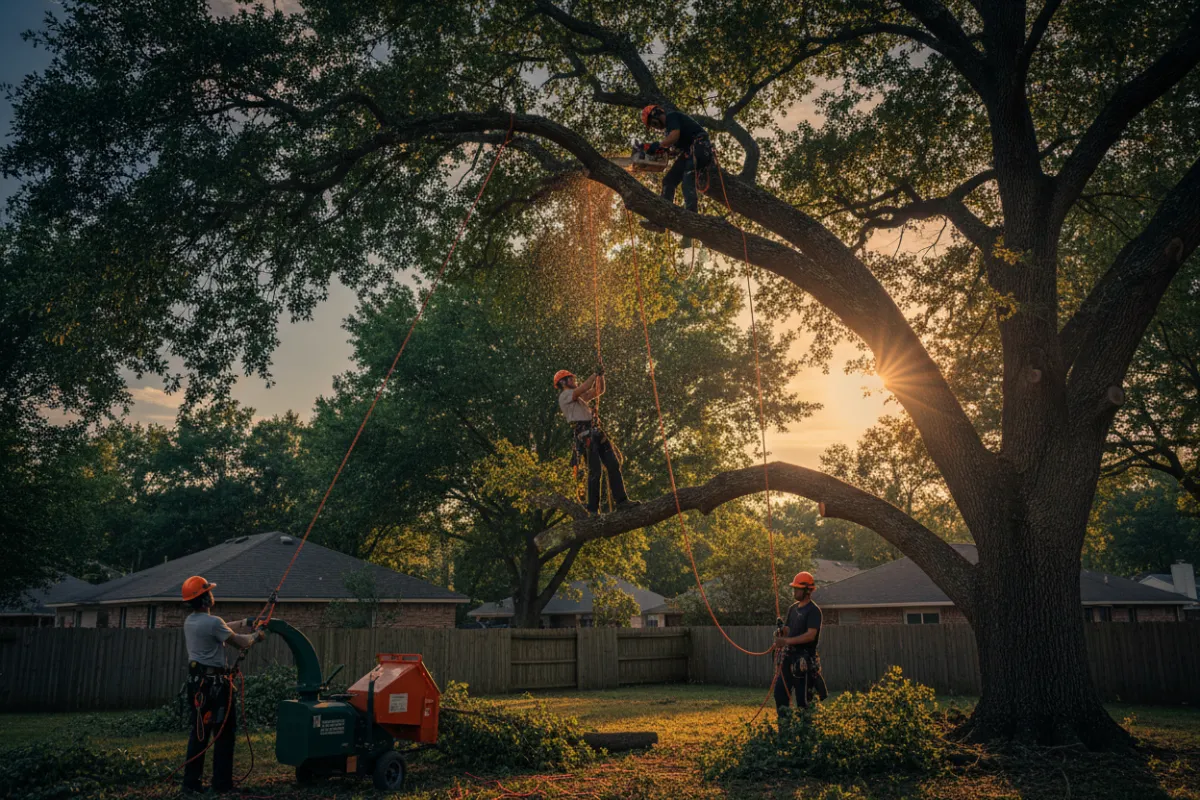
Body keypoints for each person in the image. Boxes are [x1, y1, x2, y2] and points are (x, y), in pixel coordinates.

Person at [180, 575, 265, 794]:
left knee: (199, 733)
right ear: (206, 599)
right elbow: (240, 642)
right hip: (216, 686)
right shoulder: (213, 623)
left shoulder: (191, 622)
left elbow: (221, 629)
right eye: (209, 592)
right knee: (225, 734)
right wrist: (256, 635)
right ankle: (221, 785)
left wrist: (245, 622)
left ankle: (191, 784)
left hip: (196, 684)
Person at [554, 367, 640, 516]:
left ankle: (622, 501)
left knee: (613, 464)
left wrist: (601, 377)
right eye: (571, 379)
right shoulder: (565, 396)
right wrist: (594, 374)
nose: (574, 381)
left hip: (596, 433)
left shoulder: (579, 398)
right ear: (563, 382)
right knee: (595, 471)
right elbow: (585, 387)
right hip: (585, 436)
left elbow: (598, 391)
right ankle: (593, 509)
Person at [637, 104, 714, 248]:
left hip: (700, 147)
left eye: (653, 123)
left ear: (657, 114)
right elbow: (671, 150)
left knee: (687, 184)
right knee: (669, 181)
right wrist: (651, 151)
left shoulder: (672, 117)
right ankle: (660, 221)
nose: (655, 127)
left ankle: (690, 231)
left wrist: (657, 145)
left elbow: (674, 136)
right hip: (688, 153)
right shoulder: (669, 131)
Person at [773, 570, 827, 717]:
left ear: (807, 591)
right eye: (794, 588)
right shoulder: (793, 608)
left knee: (804, 701)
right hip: (788, 658)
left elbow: (810, 635)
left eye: (797, 588)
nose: (794, 591)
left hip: (804, 662)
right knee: (780, 694)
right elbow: (789, 630)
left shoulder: (814, 611)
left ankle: (806, 732)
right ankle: (785, 729)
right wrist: (781, 632)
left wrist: (786, 641)